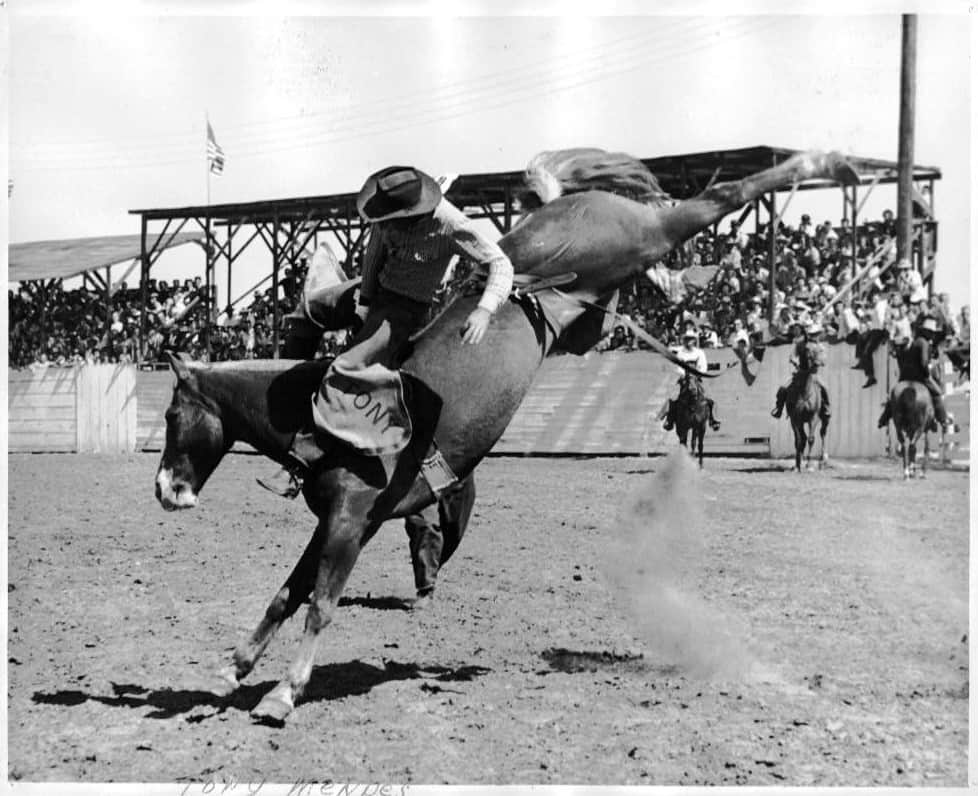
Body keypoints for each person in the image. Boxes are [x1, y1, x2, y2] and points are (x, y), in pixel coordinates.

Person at [258, 165, 515, 498]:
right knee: (309, 309)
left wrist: (484, 309)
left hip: (403, 310)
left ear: (413, 214)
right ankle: (290, 400)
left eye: (392, 222)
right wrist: (363, 303)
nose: (385, 226)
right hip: (370, 293)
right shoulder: (384, 212)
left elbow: (500, 263)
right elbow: (373, 255)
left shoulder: (451, 224)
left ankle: (300, 463)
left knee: (347, 367)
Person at [877, 315, 951, 432]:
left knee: (894, 396)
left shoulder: (914, 341)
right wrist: (927, 374)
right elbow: (923, 362)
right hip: (919, 376)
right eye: (931, 332)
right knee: (938, 393)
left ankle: (883, 419)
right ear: (927, 332)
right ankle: (943, 419)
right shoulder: (924, 343)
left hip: (905, 375)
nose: (932, 335)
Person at [658, 328, 721, 432]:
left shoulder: (699, 353)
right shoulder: (680, 353)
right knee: (673, 396)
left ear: (694, 340)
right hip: (684, 378)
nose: (689, 341)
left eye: (691, 339)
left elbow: (703, 366)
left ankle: (713, 419)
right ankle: (669, 420)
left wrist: (697, 374)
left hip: (697, 378)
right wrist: (684, 375)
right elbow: (678, 367)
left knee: (709, 396)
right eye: (687, 339)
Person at [770, 321, 831, 424]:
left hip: (813, 374)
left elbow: (823, 359)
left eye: (815, 334)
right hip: (800, 373)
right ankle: (779, 409)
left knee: (824, 388)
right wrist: (795, 361)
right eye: (812, 334)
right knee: (783, 388)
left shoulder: (818, 346)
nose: (813, 336)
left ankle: (826, 408)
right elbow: (793, 356)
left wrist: (818, 361)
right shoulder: (800, 345)